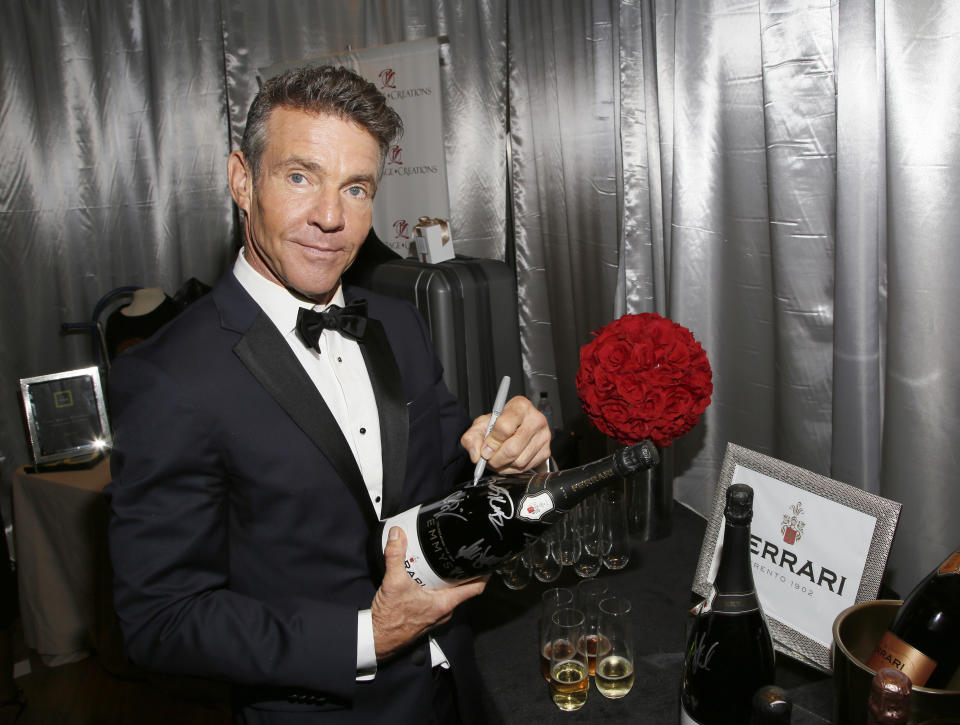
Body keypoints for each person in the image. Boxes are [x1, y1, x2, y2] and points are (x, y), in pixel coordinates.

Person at [106, 65, 550, 725]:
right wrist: (370, 635)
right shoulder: (169, 374)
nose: (331, 217)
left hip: (456, 691)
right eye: (299, 176)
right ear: (241, 180)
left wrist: (518, 463)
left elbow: (458, 490)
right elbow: (161, 617)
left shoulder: (398, 322)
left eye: (356, 187)